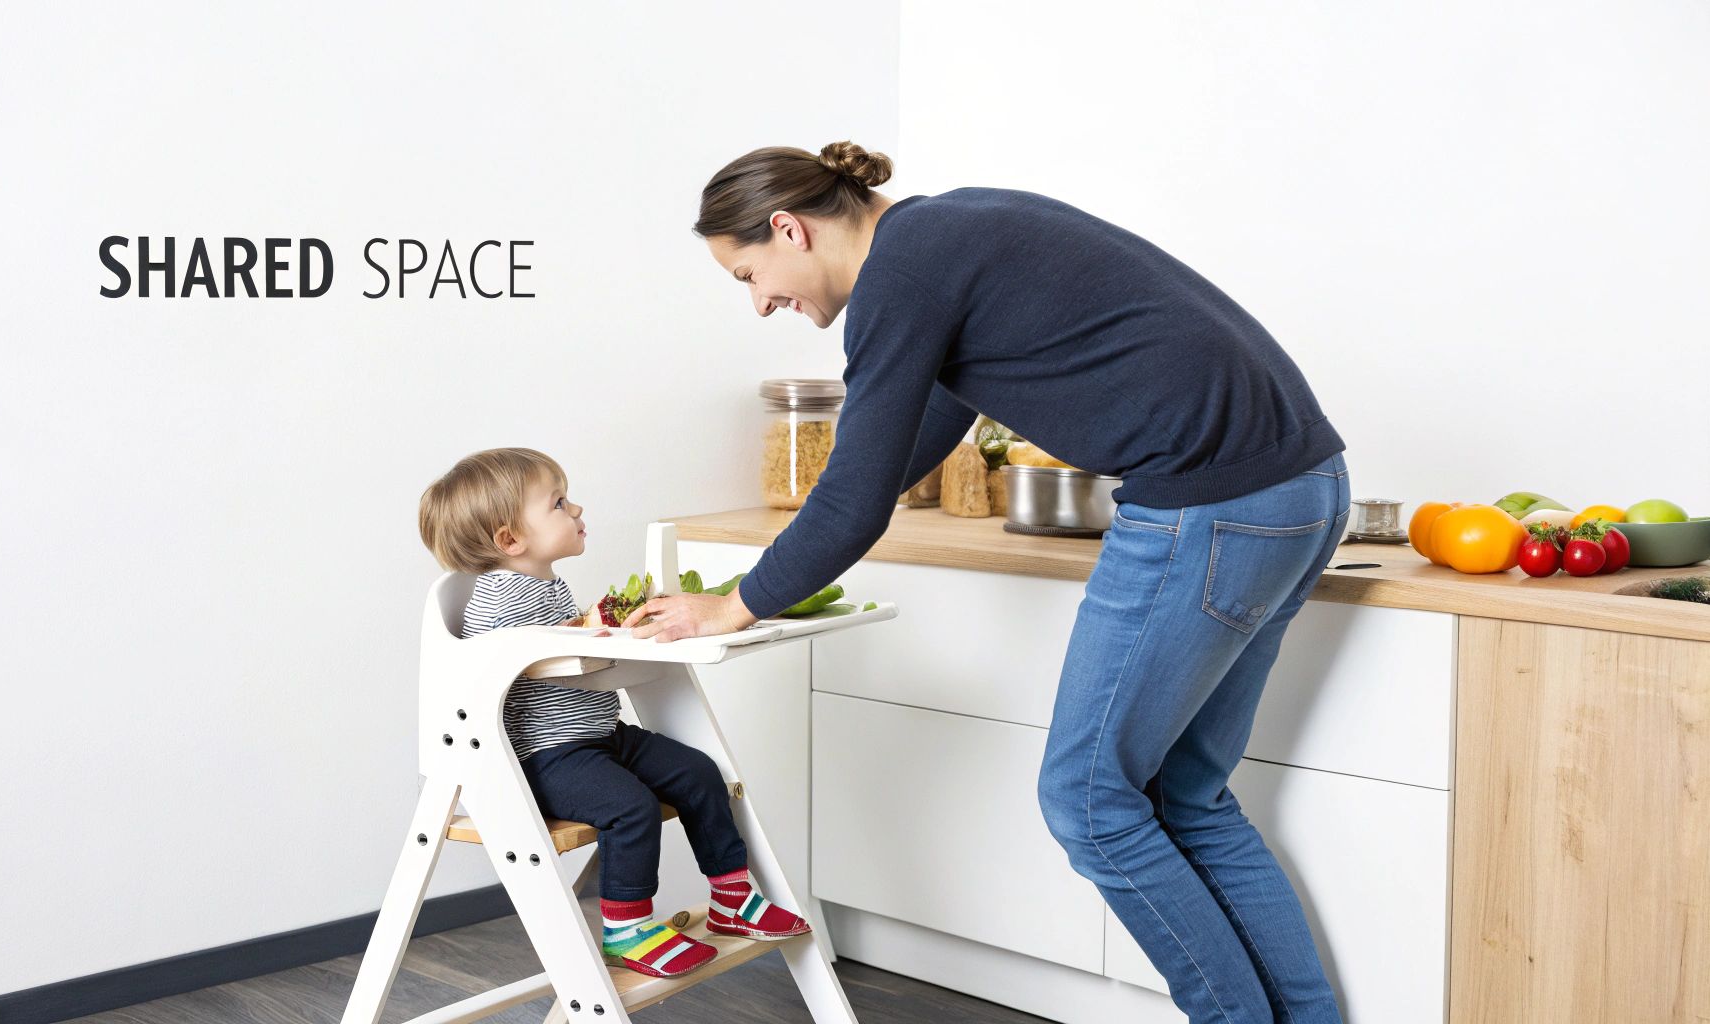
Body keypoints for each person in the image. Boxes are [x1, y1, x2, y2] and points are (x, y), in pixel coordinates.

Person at [623, 142, 1350, 1022]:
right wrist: (838, 501)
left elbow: (858, 502)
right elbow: (917, 427)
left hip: (1213, 506)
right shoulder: (940, 230)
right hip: (1300, 490)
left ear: (790, 229)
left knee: (1088, 800)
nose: (761, 300)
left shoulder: (902, 274)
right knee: (1188, 796)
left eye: (750, 272)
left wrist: (732, 606)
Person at [417, 447, 811, 979]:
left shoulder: (542, 585)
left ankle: (731, 897)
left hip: (600, 735)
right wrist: (594, 636)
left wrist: (602, 626)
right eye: (559, 503)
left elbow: (570, 638)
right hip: (546, 756)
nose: (577, 510)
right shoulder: (498, 601)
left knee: (699, 773)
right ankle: (626, 926)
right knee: (631, 806)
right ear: (511, 539)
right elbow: (521, 660)